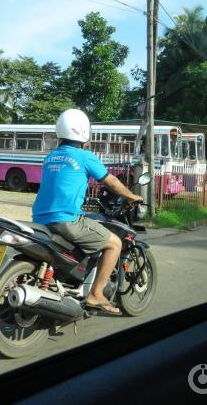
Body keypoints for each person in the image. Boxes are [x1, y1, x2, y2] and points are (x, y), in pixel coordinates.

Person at [32, 109, 143, 315]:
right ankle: (96, 294)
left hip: (39, 219)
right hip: (66, 220)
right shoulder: (84, 156)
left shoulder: (50, 157)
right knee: (114, 243)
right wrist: (131, 196)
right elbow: (111, 181)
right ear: (84, 131)